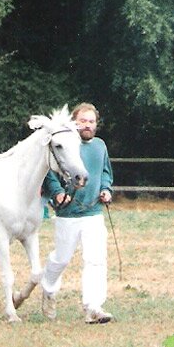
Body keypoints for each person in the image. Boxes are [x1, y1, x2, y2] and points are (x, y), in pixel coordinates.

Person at [41, 102, 114, 324]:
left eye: (91, 121)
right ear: (74, 121)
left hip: (93, 212)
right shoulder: (65, 143)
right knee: (61, 259)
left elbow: (105, 172)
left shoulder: (100, 146)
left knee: (96, 260)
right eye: (83, 121)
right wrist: (57, 193)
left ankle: (93, 307)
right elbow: (49, 172)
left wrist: (106, 189)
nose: (87, 125)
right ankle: (48, 290)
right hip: (68, 213)